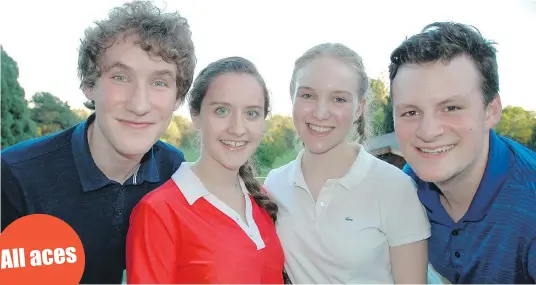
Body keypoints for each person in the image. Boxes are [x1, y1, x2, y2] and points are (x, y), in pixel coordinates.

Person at [0, 1, 196, 283]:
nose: (139, 104)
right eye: (120, 77)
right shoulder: (15, 176)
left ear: (178, 97)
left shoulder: (175, 172)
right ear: (90, 85)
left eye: (159, 82)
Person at [263, 43, 431, 284]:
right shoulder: (275, 184)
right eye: (308, 95)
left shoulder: (395, 187)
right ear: (293, 98)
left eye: (339, 99)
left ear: (359, 109)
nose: (320, 113)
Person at [389, 21, 536, 283]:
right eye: (411, 112)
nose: (429, 131)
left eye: (451, 108)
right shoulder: (406, 186)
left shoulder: (529, 205)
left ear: (491, 110)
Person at [125, 56, 285, 284]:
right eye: (222, 111)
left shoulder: (261, 200)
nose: (238, 129)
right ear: (196, 115)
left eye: (251, 113)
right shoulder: (159, 211)